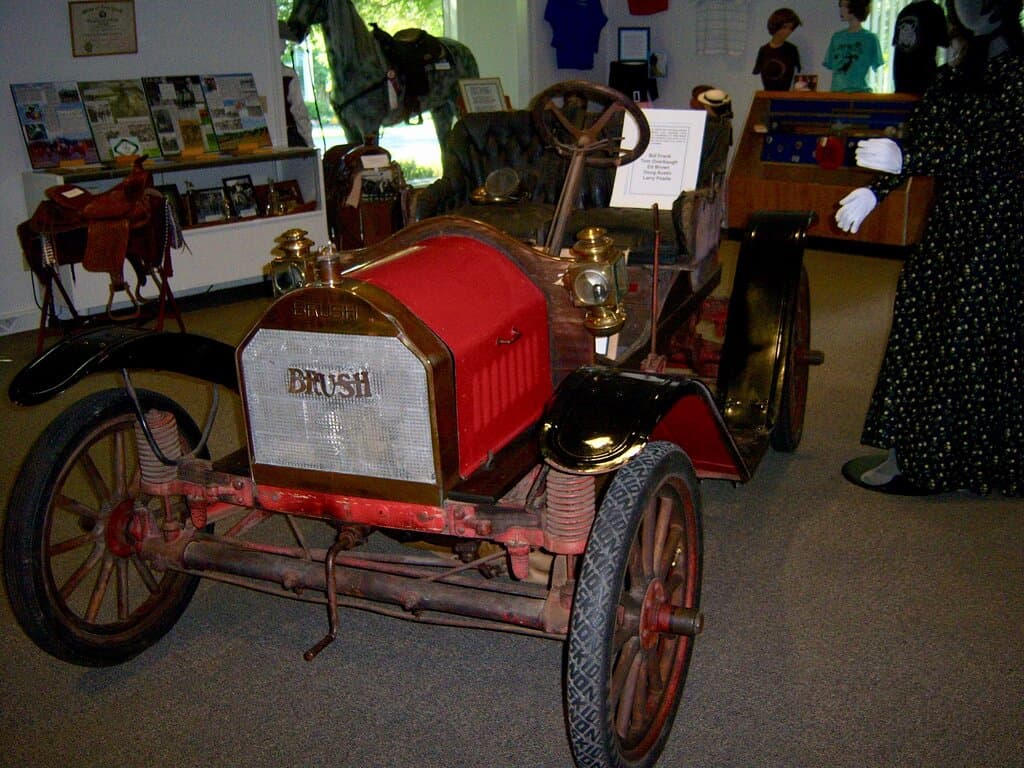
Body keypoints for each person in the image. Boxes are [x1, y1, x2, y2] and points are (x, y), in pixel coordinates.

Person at [835, 0, 1024, 496]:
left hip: (1001, 229)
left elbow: (996, 146)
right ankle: (910, 450)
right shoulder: (953, 76)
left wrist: (910, 158)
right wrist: (875, 192)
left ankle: (948, 462)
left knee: (969, 336)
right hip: (950, 224)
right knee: (919, 318)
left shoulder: (1017, 75)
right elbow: (920, 140)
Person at [822, 0, 884, 92]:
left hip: (861, 93)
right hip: (837, 94)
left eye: (845, 6)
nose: (841, 10)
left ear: (855, 8)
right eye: (840, 6)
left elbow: (876, 64)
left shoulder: (870, 39)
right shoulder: (837, 37)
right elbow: (831, 64)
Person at [892, 0, 951, 93]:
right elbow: (946, 42)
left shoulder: (904, 12)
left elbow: (898, 52)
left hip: (902, 83)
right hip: (924, 82)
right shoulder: (934, 10)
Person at [753, 8, 803, 91]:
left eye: (790, 28)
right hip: (766, 96)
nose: (788, 31)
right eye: (784, 27)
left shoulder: (791, 50)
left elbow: (798, 73)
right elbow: (757, 71)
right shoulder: (763, 50)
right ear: (775, 26)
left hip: (785, 96)